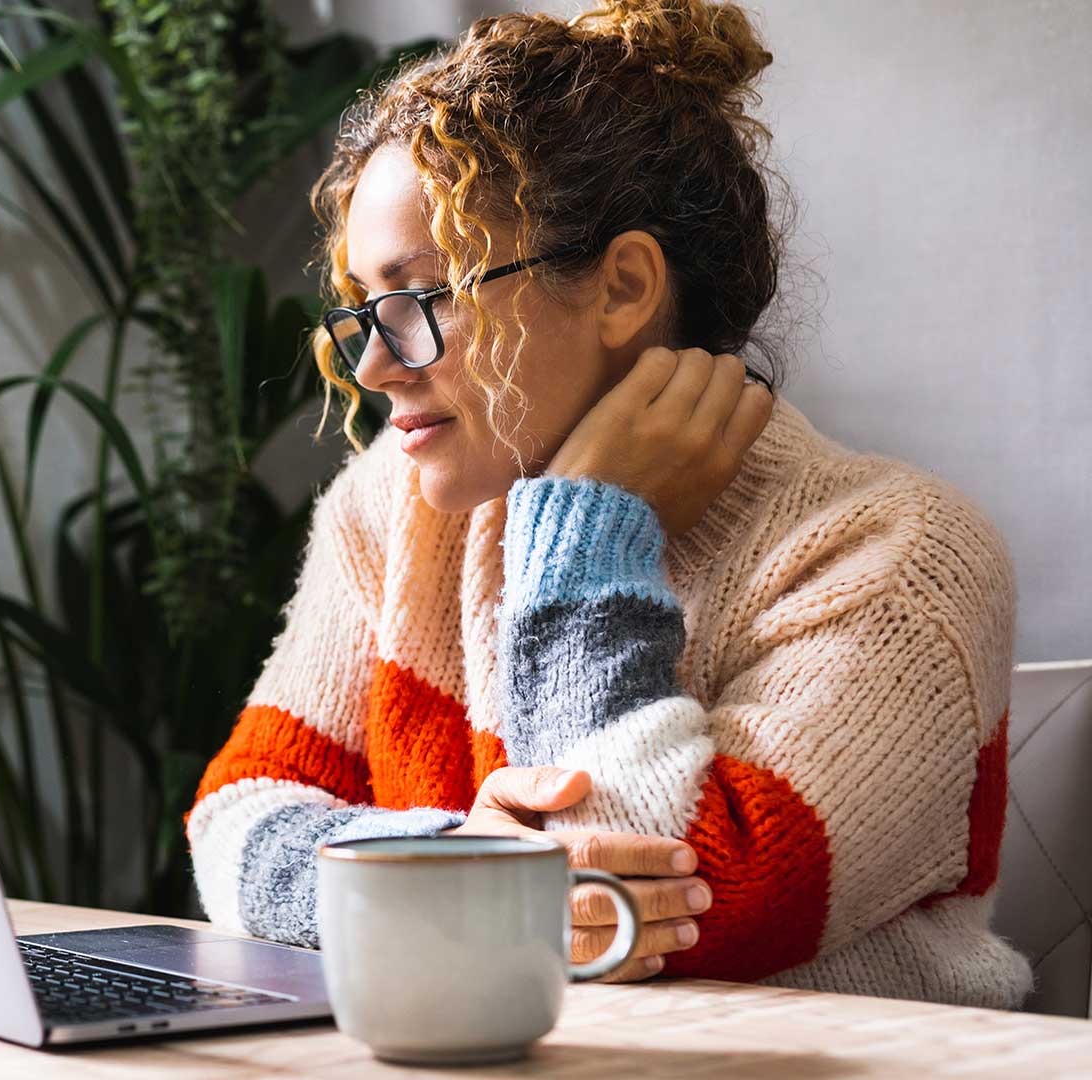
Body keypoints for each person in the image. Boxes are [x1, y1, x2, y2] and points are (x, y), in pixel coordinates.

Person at [184, 0, 1032, 1009]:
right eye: (366, 308)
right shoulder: (390, 509)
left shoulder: (898, 554)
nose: (375, 364)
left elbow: (654, 913)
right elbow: (234, 816)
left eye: (422, 297)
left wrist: (586, 530)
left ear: (623, 286)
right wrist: (460, 862)